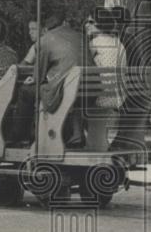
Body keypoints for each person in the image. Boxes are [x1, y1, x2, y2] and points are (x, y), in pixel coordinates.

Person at [15, 9, 93, 142]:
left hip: (66, 91)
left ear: (46, 28)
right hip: (89, 91)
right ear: (64, 23)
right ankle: (73, 134)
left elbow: (39, 74)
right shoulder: (81, 36)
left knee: (25, 91)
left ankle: (21, 136)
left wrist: (33, 79)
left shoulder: (46, 39)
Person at [88, 7, 128, 109]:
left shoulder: (94, 44)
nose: (86, 25)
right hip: (120, 98)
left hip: (102, 99)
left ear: (99, 24)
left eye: (90, 22)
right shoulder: (119, 43)